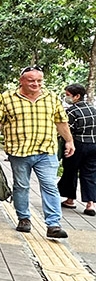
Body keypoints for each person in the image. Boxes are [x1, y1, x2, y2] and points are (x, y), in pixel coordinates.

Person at [0, 66, 75, 240]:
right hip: (19, 151)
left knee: (49, 185)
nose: (36, 84)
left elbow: (61, 122)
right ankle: (24, 218)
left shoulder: (51, 98)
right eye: (31, 80)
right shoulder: (8, 98)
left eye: (39, 81)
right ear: (22, 81)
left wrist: (69, 141)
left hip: (46, 150)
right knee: (21, 186)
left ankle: (53, 224)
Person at [58, 84, 96, 216]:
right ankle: (90, 204)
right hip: (93, 145)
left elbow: (67, 130)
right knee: (90, 173)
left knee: (70, 171)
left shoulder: (72, 111)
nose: (66, 97)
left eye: (68, 95)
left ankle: (70, 200)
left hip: (77, 144)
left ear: (77, 96)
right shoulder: (93, 109)